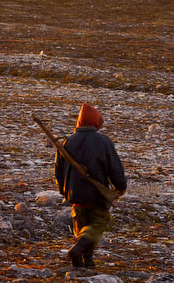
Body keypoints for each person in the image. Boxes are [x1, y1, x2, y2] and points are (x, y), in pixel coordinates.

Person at [55, 103, 128, 270]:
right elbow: (115, 169)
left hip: (75, 196)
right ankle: (78, 251)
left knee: (81, 228)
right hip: (98, 195)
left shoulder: (67, 142)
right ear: (96, 122)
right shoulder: (103, 142)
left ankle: (86, 261)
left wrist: (64, 191)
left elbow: (58, 171)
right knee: (96, 225)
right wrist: (120, 187)